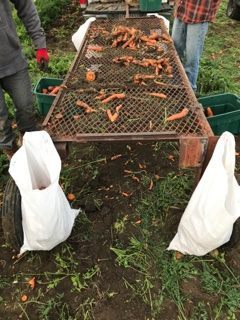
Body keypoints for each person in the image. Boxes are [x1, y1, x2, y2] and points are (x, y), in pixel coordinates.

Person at [0, 0, 49, 159]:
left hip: (11, 58)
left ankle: (30, 145)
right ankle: (14, 157)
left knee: (26, 107)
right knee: (1, 123)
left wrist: (40, 44)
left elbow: (25, 5)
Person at [172, 0, 221, 92]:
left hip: (199, 14)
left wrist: (212, 13)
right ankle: (173, 83)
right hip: (182, 10)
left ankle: (189, 91)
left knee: (192, 57)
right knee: (174, 49)